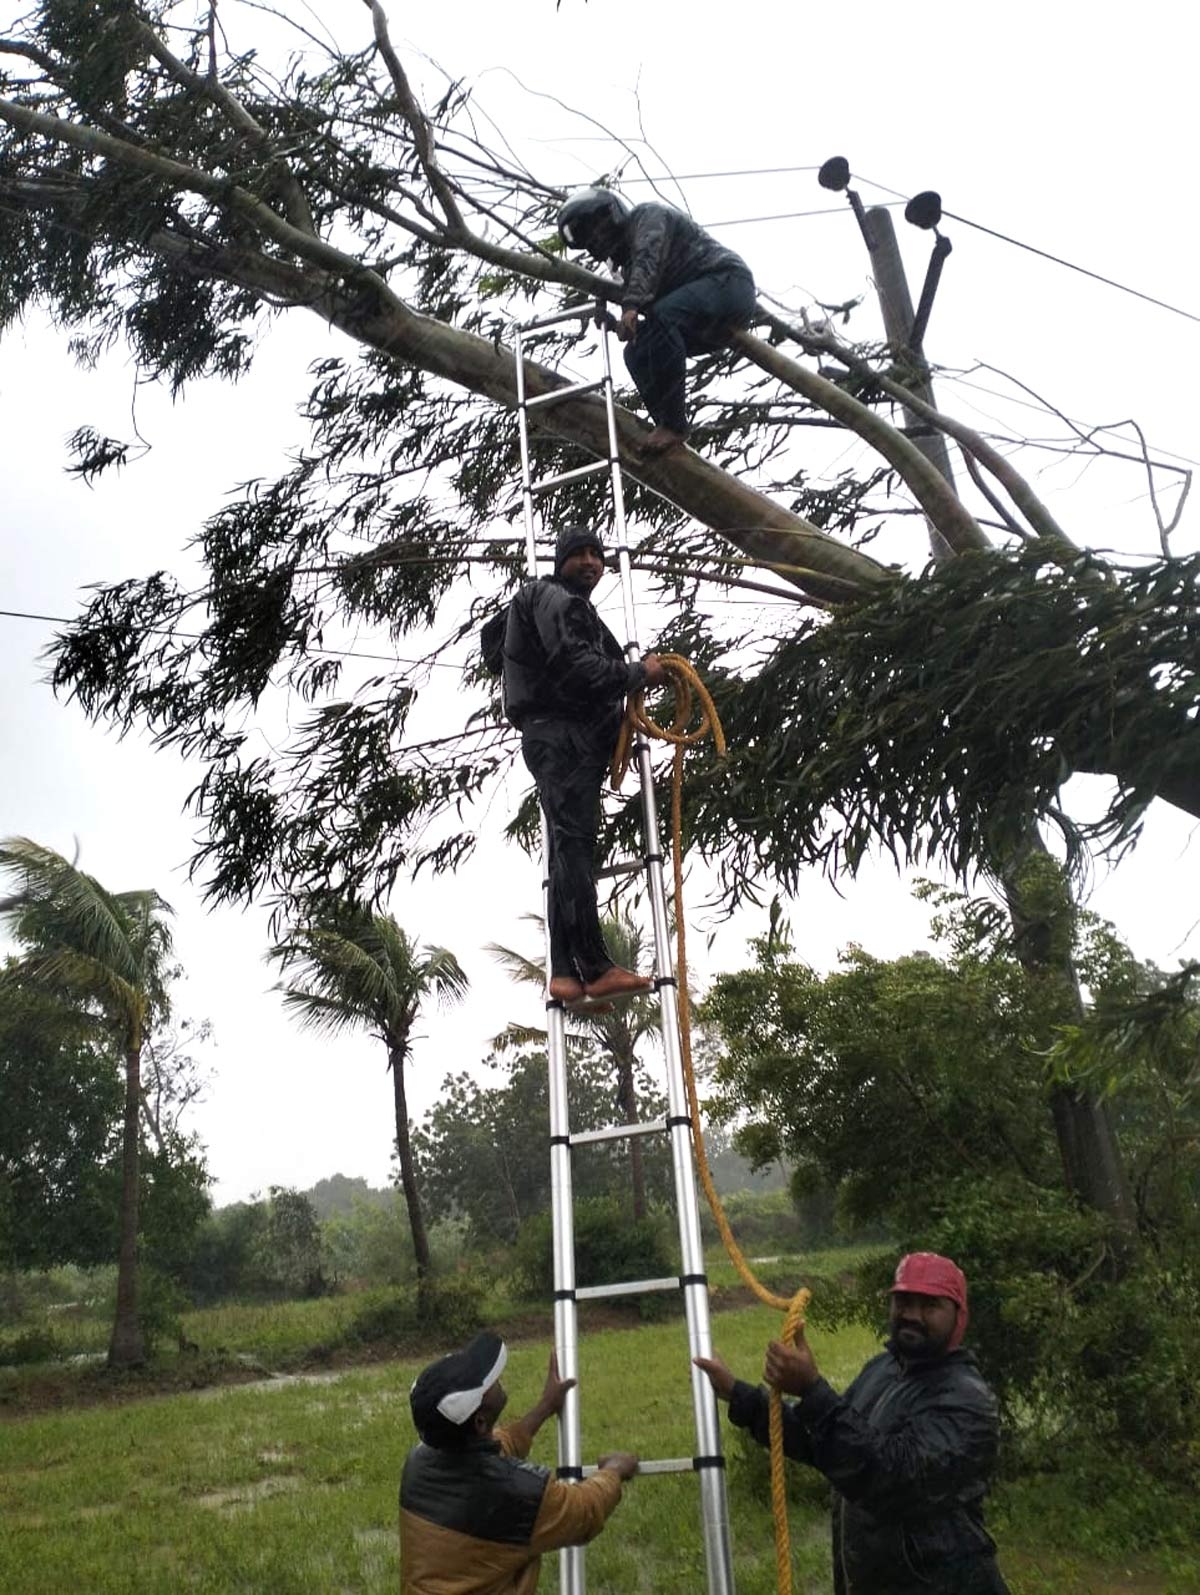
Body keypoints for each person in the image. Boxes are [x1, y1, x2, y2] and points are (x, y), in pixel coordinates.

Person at [695, 1252, 1011, 1595]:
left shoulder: (967, 1400)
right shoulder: (883, 1370)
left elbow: (891, 1476)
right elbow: (826, 1441)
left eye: (930, 1305)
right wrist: (738, 1394)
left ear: (958, 1316)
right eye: (903, 1301)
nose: (913, 1315)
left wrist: (812, 1390)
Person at [502, 523, 665, 1006]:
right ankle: (593, 966)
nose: (592, 562)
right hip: (563, 737)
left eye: (597, 554)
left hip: (561, 737)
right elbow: (579, 668)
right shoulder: (558, 599)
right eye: (580, 554)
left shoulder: (556, 603)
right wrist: (642, 673)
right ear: (561, 561)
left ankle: (564, 971)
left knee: (564, 849)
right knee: (574, 848)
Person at [400, 1329, 638, 1594]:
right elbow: (583, 1512)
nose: (493, 1376)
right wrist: (614, 1470)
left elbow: (497, 1446)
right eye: (485, 1383)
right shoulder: (514, 1494)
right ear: (479, 1421)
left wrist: (545, 1406)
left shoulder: (420, 1462)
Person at [557, 186, 757, 455]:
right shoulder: (627, 267)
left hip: (727, 285)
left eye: (595, 230)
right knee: (636, 351)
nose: (595, 241)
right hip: (700, 316)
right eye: (587, 240)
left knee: (663, 316)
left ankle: (674, 425)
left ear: (610, 214)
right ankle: (665, 423)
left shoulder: (647, 217)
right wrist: (619, 323)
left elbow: (648, 258)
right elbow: (651, 320)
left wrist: (630, 305)